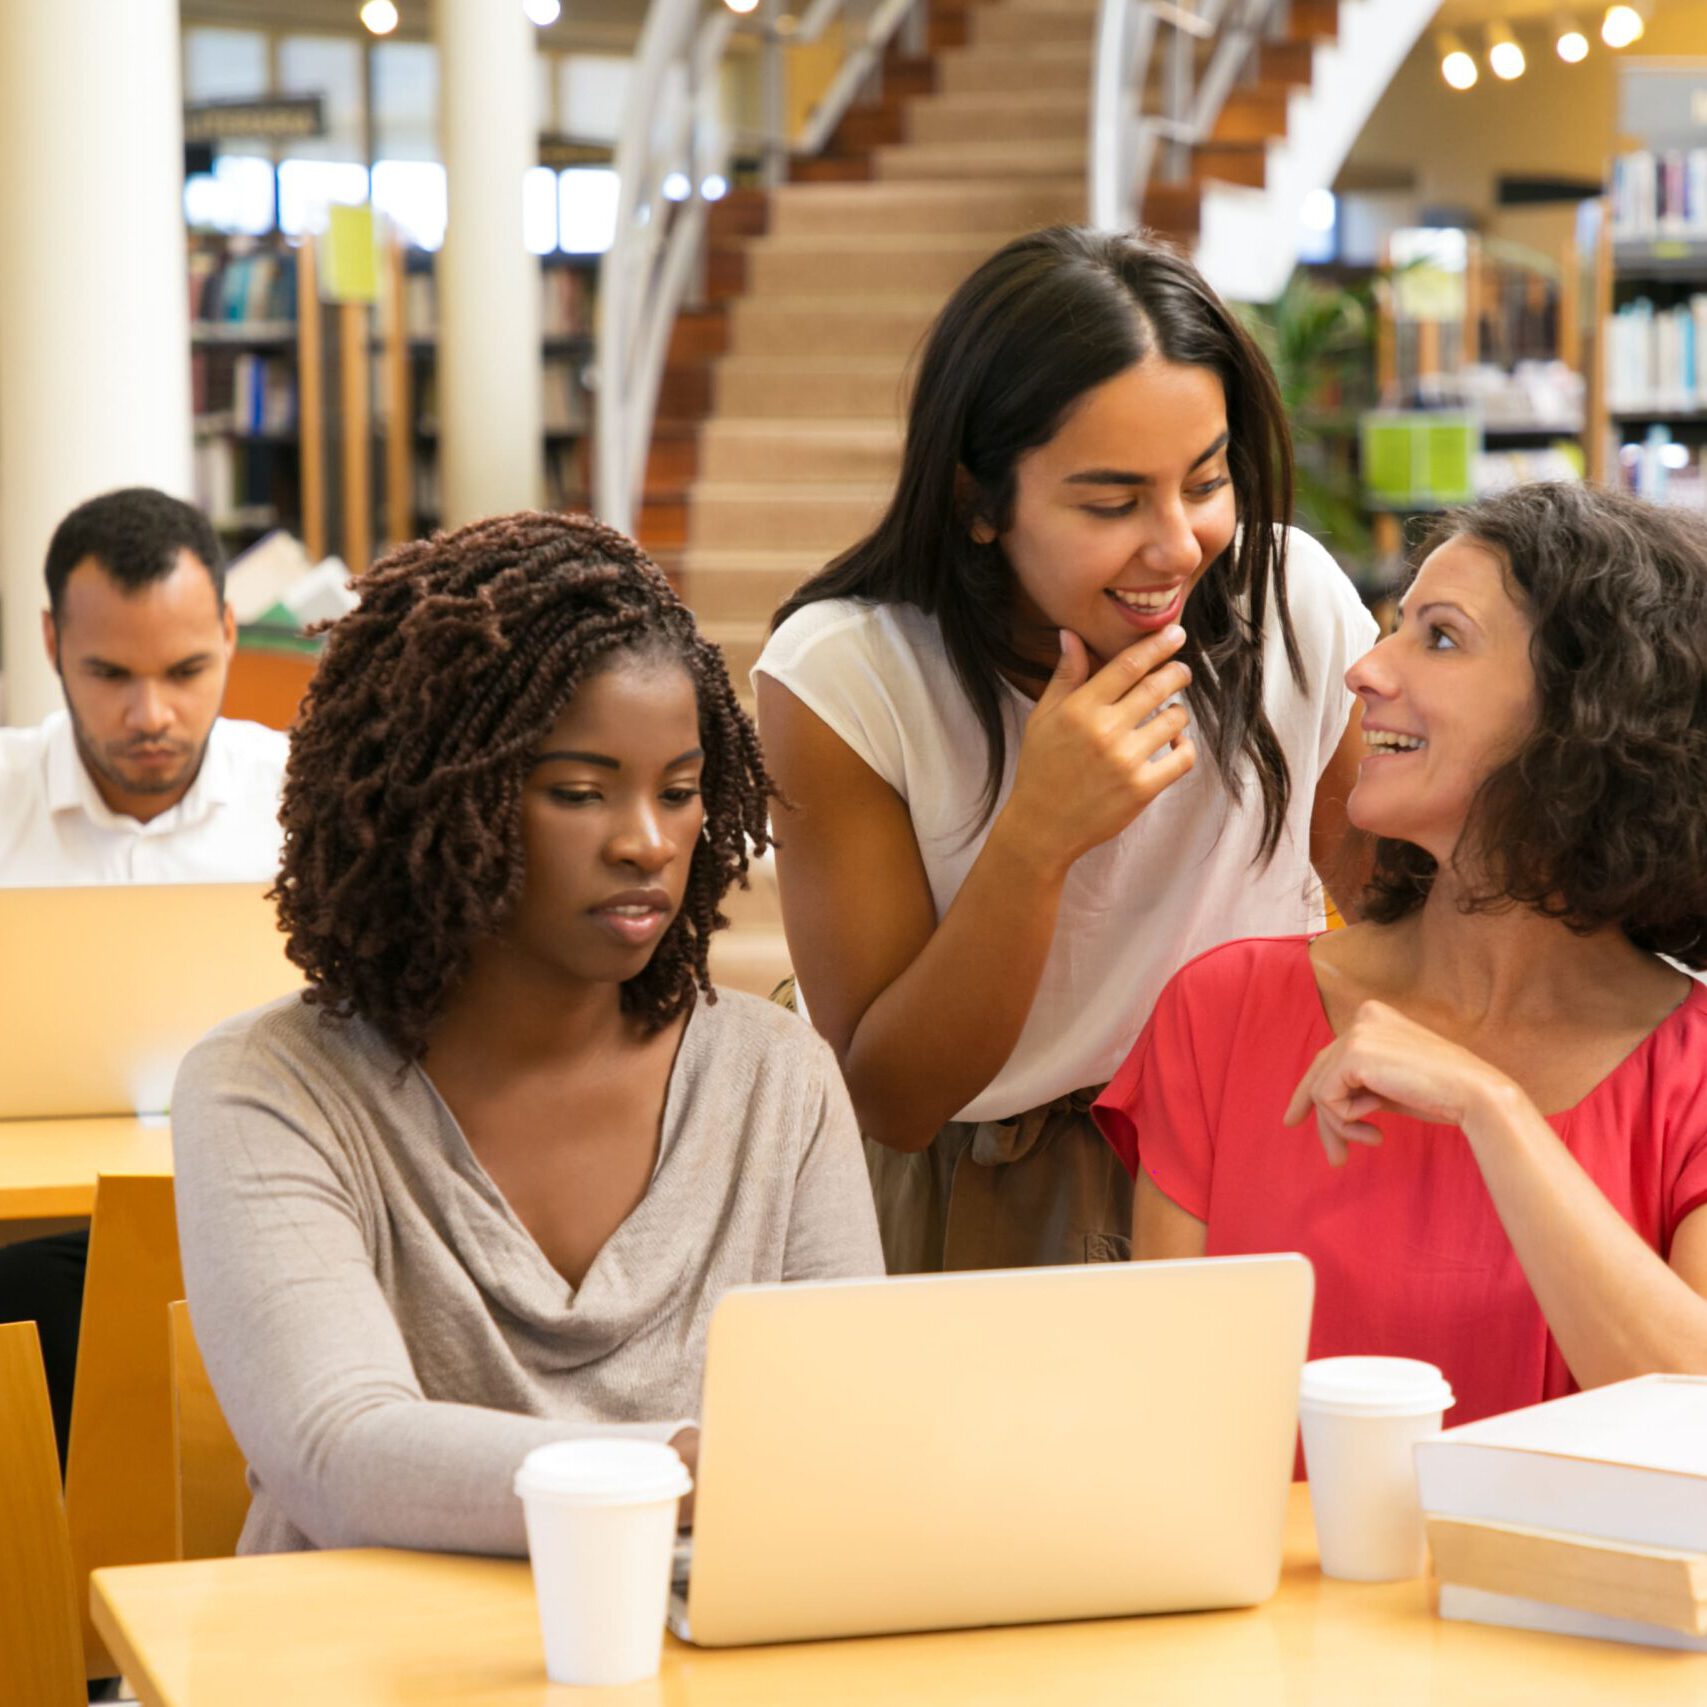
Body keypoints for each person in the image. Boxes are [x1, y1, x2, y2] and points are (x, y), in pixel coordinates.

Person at [171, 512, 885, 1556]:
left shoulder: (779, 1082)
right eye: (580, 793)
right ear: (439, 794)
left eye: (680, 793)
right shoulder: (268, 1088)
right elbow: (342, 1453)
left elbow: (851, 1431)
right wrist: (693, 1470)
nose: (647, 841)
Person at [754, 225, 1379, 1273]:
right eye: (1112, 500)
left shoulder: (1290, 600)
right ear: (978, 502)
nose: (1177, 544)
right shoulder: (846, 677)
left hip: (1259, 1159)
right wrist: (1038, 835)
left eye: (1207, 481)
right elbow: (897, 1100)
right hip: (984, 1188)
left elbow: (1391, 912)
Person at [1096, 482, 1707, 1426]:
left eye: (1441, 636)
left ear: (1584, 714)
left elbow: (1691, 1411)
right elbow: (1167, 1425)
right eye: (1392, 627)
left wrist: (1490, 1109)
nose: (1365, 670)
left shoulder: (1691, 1073)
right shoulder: (1221, 1013)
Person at [0, 486, 287, 1468]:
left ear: (230, 635)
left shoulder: (306, 802)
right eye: (109, 673)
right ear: (50, 644)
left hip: (263, 1220)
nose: (150, 714)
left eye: (187, 670)